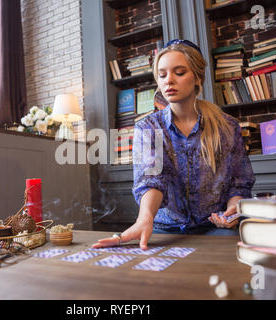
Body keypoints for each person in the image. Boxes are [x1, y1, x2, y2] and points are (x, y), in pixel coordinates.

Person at [92, 39, 255, 250]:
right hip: (164, 229)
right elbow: (152, 178)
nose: (169, 80)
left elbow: (239, 183)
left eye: (179, 73)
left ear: (197, 78)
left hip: (214, 228)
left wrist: (233, 210)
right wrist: (145, 218)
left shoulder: (227, 126)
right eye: (162, 75)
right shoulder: (148, 127)